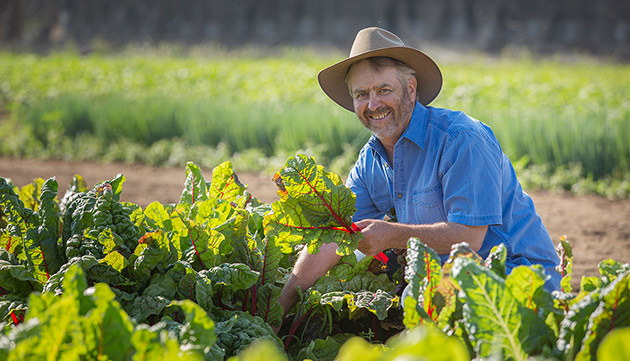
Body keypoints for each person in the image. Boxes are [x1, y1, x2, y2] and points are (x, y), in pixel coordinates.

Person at [278, 27, 561, 316]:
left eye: (383, 90)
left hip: (518, 282)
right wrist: (283, 302)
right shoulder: (369, 160)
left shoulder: (460, 138)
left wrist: (391, 235)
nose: (373, 104)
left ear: (411, 89)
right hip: (442, 286)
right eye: (361, 94)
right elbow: (334, 236)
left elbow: (469, 238)